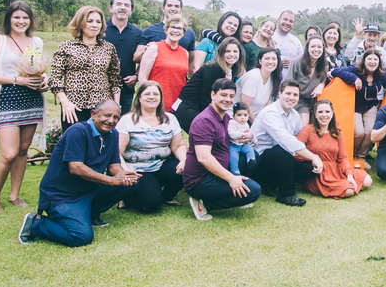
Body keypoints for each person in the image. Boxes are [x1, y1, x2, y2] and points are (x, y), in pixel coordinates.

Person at [17, 100, 140, 247]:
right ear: (93, 114)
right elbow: (76, 168)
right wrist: (111, 180)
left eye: (115, 117)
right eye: (107, 115)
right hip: (62, 194)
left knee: (130, 183)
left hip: (88, 189)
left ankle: (91, 214)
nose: (111, 121)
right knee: (81, 236)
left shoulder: (113, 134)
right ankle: (36, 223)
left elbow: (114, 165)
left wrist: (122, 176)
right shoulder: (78, 131)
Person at [0, 0, 47, 214]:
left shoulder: (36, 42)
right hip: (6, 98)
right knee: (9, 152)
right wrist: (16, 81)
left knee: (23, 150)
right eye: (17, 17)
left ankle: (15, 194)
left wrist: (44, 80)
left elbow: (37, 69)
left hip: (31, 99)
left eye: (25, 17)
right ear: (9, 19)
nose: (21, 21)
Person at [180, 78, 263, 221]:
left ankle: (235, 194)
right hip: (201, 179)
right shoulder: (204, 121)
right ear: (213, 95)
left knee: (253, 156)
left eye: (231, 96)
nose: (228, 99)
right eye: (223, 95)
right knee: (254, 191)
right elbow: (203, 157)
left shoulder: (225, 118)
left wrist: (248, 135)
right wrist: (231, 178)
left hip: (219, 170)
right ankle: (204, 203)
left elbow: (235, 135)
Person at [49, 6, 122, 132]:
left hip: (101, 109)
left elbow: (115, 80)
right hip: (73, 107)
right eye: (90, 21)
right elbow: (54, 78)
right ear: (80, 23)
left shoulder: (109, 48)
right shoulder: (66, 46)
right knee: (75, 144)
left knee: (99, 146)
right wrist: (65, 103)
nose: (94, 25)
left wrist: (115, 106)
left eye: (98, 22)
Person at [116, 81, 187, 211]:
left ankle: (166, 196)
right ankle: (124, 195)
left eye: (155, 94)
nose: (151, 97)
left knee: (186, 167)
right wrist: (124, 171)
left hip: (160, 165)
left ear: (160, 98)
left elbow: (178, 145)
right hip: (138, 170)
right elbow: (117, 151)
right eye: (147, 94)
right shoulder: (128, 120)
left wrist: (183, 161)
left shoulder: (170, 119)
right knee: (151, 204)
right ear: (139, 98)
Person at [249, 81, 323, 206]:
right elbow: (286, 141)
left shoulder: (294, 115)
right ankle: (286, 195)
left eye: (295, 95)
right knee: (284, 152)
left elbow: (299, 139)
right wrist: (314, 156)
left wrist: (315, 157)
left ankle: (270, 184)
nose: (291, 97)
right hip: (258, 161)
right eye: (288, 93)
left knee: (309, 168)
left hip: (279, 160)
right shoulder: (270, 113)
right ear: (279, 94)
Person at [296, 98, 371, 198]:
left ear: (332, 114)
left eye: (327, 112)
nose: (324, 115)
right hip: (319, 174)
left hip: (336, 169)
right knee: (348, 191)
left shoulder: (336, 132)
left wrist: (348, 174)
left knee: (367, 180)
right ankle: (345, 186)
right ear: (315, 114)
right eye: (320, 112)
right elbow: (295, 151)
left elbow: (343, 157)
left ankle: (347, 183)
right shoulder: (308, 130)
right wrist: (312, 158)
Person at [332, 50, 386, 159]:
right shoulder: (356, 70)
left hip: (371, 105)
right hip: (355, 106)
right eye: (369, 59)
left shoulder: (381, 72)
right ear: (364, 60)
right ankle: (352, 155)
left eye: (375, 59)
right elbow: (336, 71)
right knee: (359, 132)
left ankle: (361, 156)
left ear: (379, 62)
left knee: (370, 132)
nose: (372, 62)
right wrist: (354, 78)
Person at [175, 37, 246, 132]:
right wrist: (212, 121)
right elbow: (207, 98)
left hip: (199, 108)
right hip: (188, 107)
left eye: (235, 51)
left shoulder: (232, 70)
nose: (232, 54)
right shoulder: (214, 68)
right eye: (227, 51)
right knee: (208, 134)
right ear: (221, 53)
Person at [136, 14, 190, 110]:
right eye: (172, 27)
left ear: (183, 32)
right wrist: (148, 99)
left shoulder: (185, 53)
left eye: (179, 28)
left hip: (176, 105)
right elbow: (142, 77)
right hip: (156, 104)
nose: (175, 30)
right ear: (166, 30)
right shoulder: (154, 48)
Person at [135, 0, 199, 72]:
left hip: (179, 80)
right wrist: (146, 51)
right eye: (169, 5)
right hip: (154, 81)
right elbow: (136, 58)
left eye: (176, 6)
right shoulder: (150, 30)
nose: (173, 9)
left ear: (181, 10)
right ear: (163, 8)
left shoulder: (189, 33)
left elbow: (191, 61)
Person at [104, 0, 142, 113]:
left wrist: (136, 76)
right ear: (111, 8)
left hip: (126, 87)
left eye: (126, 5)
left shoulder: (138, 33)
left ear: (131, 10)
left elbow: (145, 59)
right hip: (100, 86)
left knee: (121, 123)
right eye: (118, 4)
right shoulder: (101, 29)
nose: (122, 7)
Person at [286, 35, 329, 124]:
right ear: (307, 48)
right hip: (298, 100)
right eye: (313, 46)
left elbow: (323, 79)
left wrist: (321, 85)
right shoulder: (296, 62)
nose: (316, 49)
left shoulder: (323, 64)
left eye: (319, 47)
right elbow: (288, 85)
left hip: (314, 101)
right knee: (304, 126)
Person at [238, 47, 282, 120]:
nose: (270, 62)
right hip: (240, 118)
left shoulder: (272, 78)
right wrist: (256, 126)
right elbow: (245, 106)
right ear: (260, 61)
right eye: (267, 58)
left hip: (256, 118)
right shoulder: (254, 76)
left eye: (274, 59)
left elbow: (267, 104)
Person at [227, 102, 257, 175]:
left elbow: (250, 133)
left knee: (250, 150)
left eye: (245, 115)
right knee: (234, 157)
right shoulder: (232, 123)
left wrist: (254, 139)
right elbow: (231, 133)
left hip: (244, 144)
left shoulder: (246, 124)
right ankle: (235, 171)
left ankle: (251, 160)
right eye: (239, 115)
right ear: (234, 116)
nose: (242, 117)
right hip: (234, 144)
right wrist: (241, 135)